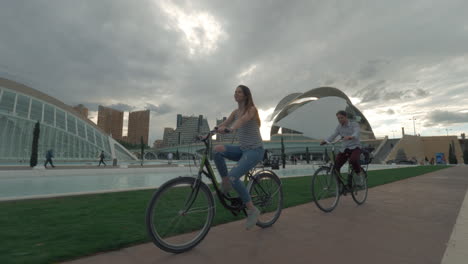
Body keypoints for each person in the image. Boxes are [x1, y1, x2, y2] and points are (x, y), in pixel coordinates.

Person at [214, 84, 264, 230]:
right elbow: (223, 124)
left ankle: (252, 210)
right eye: (235, 92)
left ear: (246, 95)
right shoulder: (235, 112)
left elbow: (241, 121)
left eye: (239, 92)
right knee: (217, 150)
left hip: (255, 151)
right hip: (242, 149)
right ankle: (225, 184)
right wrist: (209, 133)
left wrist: (230, 129)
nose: (236, 94)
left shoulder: (252, 110)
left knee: (234, 176)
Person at [320, 110, 363, 186]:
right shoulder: (339, 127)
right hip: (344, 148)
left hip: (355, 147)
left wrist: (351, 136)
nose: (340, 120)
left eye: (341, 118)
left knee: (353, 160)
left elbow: (356, 133)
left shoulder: (354, 124)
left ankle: (359, 176)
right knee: (336, 166)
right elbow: (333, 135)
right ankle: (339, 185)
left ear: (346, 117)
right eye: (338, 118)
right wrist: (326, 141)